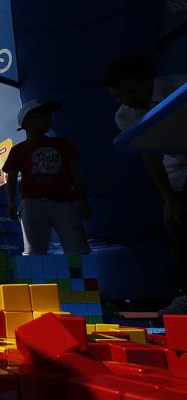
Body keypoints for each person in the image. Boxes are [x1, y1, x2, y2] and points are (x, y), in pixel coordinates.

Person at [103, 54, 187, 315]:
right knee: (179, 232)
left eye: (132, 91)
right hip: (178, 176)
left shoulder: (180, 88)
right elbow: (150, 157)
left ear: (148, 80)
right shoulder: (125, 115)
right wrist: (169, 198)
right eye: (119, 96)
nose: (127, 100)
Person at [2, 100, 91, 256]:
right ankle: (39, 280)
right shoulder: (18, 150)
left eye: (50, 116)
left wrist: (83, 200)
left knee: (76, 249)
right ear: (26, 122)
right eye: (42, 116)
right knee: (34, 251)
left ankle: (80, 278)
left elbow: (75, 174)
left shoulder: (62, 144)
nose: (48, 119)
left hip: (65, 201)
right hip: (32, 202)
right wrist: (10, 202)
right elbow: (12, 177)